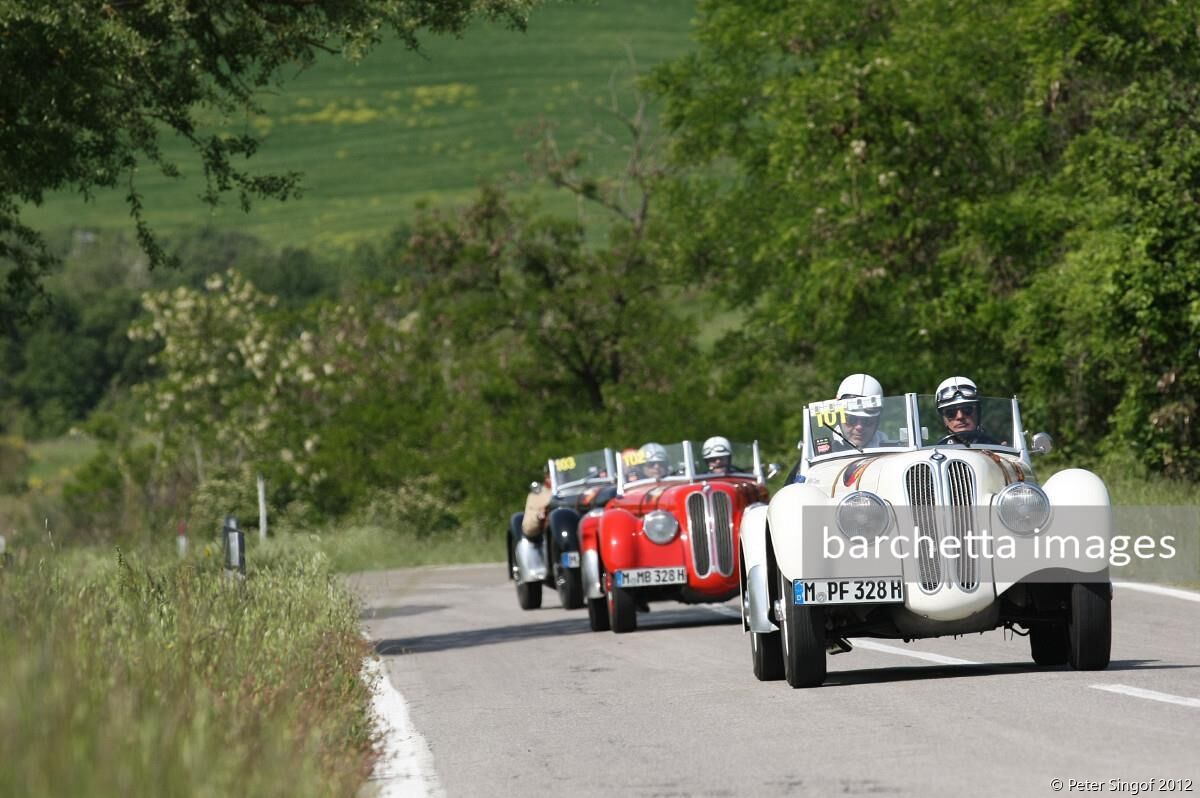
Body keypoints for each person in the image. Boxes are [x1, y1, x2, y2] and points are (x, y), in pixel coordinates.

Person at [827, 373, 888, 451]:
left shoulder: (893, 450)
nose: (859, 427)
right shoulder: (815, 450)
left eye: (867, 421)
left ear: (877, 421)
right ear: (838, 416)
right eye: (851, 419)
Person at [934, 375, 998, 444]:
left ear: (978, 412)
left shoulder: (995, 448)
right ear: (944, 419)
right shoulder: (936, 453)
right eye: (951, 412)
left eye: (967, 409)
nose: (960, 416)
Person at [521, 466, 552, 539]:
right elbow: (528, 527)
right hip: (544, 537)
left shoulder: (577, 490)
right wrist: (538, 516)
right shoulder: (537, 495)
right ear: (546, 476)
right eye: (550, 474)